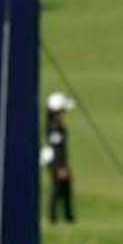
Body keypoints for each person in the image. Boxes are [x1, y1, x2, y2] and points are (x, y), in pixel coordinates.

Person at [44, 91, 75, 225]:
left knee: (65, 189)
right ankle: (53, 218)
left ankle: (68, 217)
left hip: (59, 162)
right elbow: (57, 150)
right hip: (56, 162)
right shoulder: (54, 127)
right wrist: (60, 167)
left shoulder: (56, 124)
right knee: (57, 189)